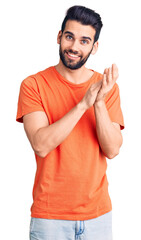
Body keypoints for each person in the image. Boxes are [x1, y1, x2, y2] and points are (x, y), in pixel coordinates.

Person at [16, 5, 124, 240]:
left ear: (94, 47)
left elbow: (112, 149)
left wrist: (98, 103)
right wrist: (83, 104)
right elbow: (41, 144)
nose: (74, 47)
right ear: (59, 36)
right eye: (69, 37)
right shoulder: (33, 85)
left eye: (84, 41)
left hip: (98, 216)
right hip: (50, 218)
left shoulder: (105, 88)